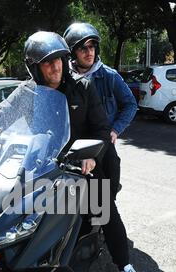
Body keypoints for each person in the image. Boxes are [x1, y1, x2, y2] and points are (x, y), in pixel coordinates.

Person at [0, 31, 148, 272]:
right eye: (47, 62)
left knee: (103, 209)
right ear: (35, 68)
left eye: (59, 60)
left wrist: (90, 156)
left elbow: (101, 129)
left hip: (79, 163)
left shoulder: (82, 88)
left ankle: (124, 267)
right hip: (42, 161)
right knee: (17, 204)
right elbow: (2, 111)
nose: (56, 67)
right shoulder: (28, 91)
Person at [64, 22, 138, 199]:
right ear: (73, 52)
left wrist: (115, 129)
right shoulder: (64, 77)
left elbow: (130, 104)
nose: (89, 52)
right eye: (83, 48)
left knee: (110, 173)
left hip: (101, 138)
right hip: (73, 140)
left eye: (92, 47)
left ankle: (106, 213)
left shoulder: (109, 75)